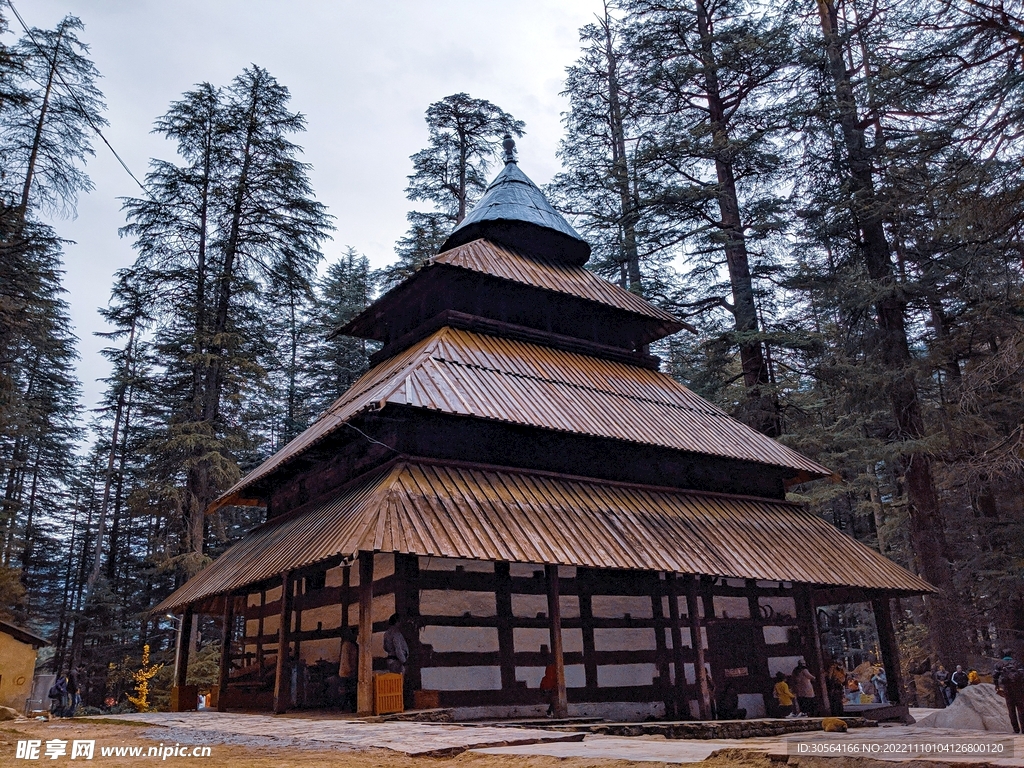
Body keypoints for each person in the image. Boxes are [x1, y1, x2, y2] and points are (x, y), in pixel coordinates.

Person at [993, 648, 1024, 734]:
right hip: (1019, 689)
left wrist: (996, 686)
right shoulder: (1017, 663)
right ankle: (1023, 729)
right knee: (1021, 709)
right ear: (1011, 655)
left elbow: (995, 676)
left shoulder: (999, 664)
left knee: (1011, 709)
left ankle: (1016, 729)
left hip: (1007, 689)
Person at [338, 627, 359, 711]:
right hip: (347, 672)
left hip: (351, 671)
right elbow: (345, 658)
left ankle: (350, 707)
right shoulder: (347, 645)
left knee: (350, 690)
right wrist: (349, 669)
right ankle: (345, 707)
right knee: (347, 690)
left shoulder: (353, 645)